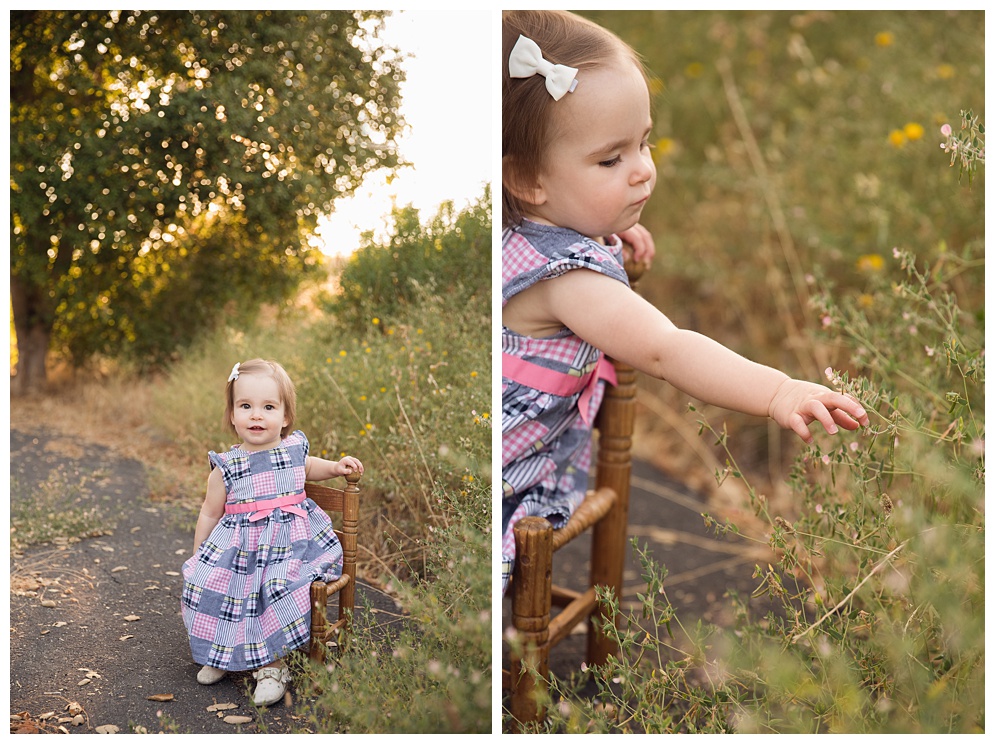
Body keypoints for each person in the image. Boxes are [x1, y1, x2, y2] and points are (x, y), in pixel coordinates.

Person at [500, 10, 869, 592]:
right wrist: (780, 390)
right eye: (610, 159)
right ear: (527, 181)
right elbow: (668, 350)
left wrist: (609, 240)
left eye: (643, 142)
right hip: (512, 474)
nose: (644, 171)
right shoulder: (569, 282)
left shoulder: (535, 232)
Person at [180, 358, 363, 706]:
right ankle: (221, 655)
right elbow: (208, 512)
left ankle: (272, 666)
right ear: (232, 415)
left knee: (273, 589)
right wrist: (199, 552)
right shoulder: (225, 468)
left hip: (289, 550)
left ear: (285, 416)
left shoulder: (293, 451)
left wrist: (337, 467)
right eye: (245, 406)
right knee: (208, 583)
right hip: (238, 552)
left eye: (268, 407)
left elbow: (312, 467)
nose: (256, 415)